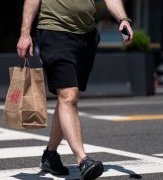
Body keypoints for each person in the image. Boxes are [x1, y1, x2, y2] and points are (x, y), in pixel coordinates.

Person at [17, 0, 133, 179]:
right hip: (55, 31)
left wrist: (122, 19)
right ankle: (83, 160)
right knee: (68, 95)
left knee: (67, 98)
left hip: (86, 36)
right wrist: (25, 33)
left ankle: (50, 154)